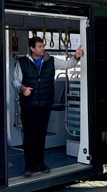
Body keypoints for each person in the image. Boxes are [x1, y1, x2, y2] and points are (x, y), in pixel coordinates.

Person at [12, 36, 84, 176]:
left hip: (45, 105)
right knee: (29, 136)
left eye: (43, 46)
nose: (43, 48)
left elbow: (67, 65)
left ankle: (40, 163)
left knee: (41, 135)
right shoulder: (22, 63)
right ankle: (29, 165)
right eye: (39, 46)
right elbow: (15, 81)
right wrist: (22, 89)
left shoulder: (51, 61)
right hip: (28, 106)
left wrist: (76, 57)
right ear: (32, 48)